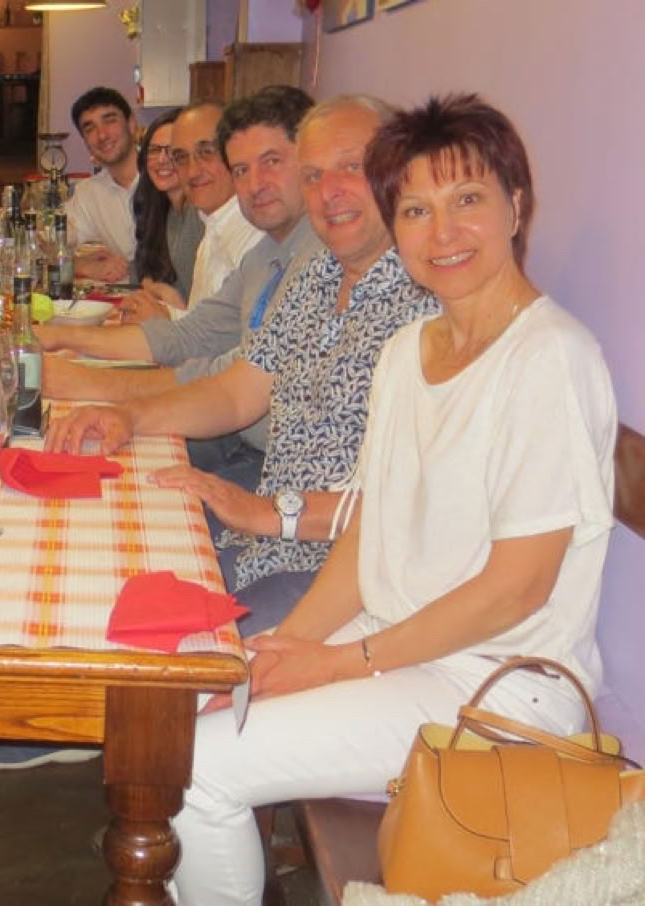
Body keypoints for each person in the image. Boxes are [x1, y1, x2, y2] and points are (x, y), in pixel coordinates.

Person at [170, 93, 615, 906]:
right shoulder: (410, 350)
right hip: (399, 650)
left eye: (467, 199)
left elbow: (517, 588)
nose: (442, 233)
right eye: (415, 209)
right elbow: (369, 529)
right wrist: (287, 647)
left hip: (498, 688)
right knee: (188, 701)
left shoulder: (549, 359)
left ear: (517, 207)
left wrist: (339, 661)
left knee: (198, 767)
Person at [48, 95, 440, 635]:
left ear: (400, 172)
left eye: (352, 166)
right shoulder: (319, 274)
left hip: (345, 571)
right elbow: (237, 392)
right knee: (109, 561)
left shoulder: (429, 302)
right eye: (313, 175)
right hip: (267, 537)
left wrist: (266, 511)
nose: (329, 191)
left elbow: (415, 505)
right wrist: (129, 417)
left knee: (169, 641)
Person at [40, 86, 320, 497]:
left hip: (276, 469)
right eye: (242, 168)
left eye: (271, 161)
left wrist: (89, 385)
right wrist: (61, 337)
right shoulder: (267, 249)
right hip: (243, 442)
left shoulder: (317, 256)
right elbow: (194, 335)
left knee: (113, 487)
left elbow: (228, 380)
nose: (255, 183)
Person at [125, 101, 265, 322]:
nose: (192, 171)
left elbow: (242, 338)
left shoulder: (254, 233)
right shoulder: (212, 226)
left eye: (206, 152)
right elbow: (202, 328)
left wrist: (165, 316)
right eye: (181, 157)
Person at [62, 86, 140, 284]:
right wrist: (82, 265)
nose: (102, 135)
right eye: (90, 129)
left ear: (131, 124)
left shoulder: (163, 176)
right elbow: (48, 242)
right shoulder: (89, 192)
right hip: (132, 295)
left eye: (109, 120)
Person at [130, 106, 205, 301]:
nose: (162, 159)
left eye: (172, 150)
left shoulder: (197, 214)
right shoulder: (164, 209)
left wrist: (157, 289)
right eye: (154, 150)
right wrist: (151, 285)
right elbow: (141, 271)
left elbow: (190, 301)